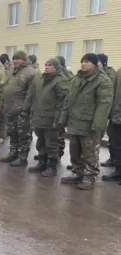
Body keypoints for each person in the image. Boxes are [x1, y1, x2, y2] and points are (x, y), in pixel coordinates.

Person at [59, 53, 113, 190]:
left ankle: (89, 176)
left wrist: (98, 125)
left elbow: (104, 104)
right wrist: (63, 118)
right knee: (74, 150)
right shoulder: (76, 79)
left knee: (90, 152)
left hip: (90, 124)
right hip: (75, 122)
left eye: (87, 61)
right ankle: (78, 172)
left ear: (95, 64)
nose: (83, 64)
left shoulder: (102, 81)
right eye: (82, 61)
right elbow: (68, 100)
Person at [27, 58, 69, 177]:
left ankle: (52, 166)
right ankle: (42, 162)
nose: (46, 67)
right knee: (41, 142)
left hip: (51, 119)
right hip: (40, 117)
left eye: (50, 65)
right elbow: (35, 98)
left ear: (56, 67)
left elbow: (63, 102)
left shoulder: (60, 81)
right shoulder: (42, 80)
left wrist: (58, 120)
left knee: (52, 144)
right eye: (45, 64)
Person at [0, 50, 37, 167]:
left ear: (24, 59)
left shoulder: (31, 73)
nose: (15, 61)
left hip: (22, 111)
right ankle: (13, 153)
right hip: (10, 108)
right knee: (12, 132)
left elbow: (31, 94)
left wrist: (25, 109)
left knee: (24, 135)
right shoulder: (12, 71)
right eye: (14, 59)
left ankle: (22, 157)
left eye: (17, 59)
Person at [102, 67, 121, 183]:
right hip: (117, 115)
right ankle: (118, 170)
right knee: (116, 144)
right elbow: (113, 92)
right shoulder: (119, 72)